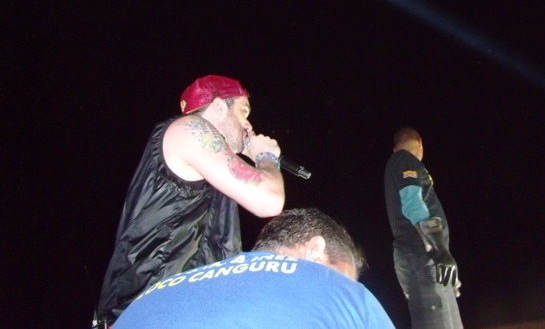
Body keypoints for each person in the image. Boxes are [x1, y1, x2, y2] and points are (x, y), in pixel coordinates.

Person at [97, 75, 285, 325]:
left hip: (179, 312)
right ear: (219, 106)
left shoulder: (210, 166)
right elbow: (269, 200)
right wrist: (266, 157)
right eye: (243, 112)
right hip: (148, 313)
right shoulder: (188, 129)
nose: (248, 125)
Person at [112, 208, 396, 328]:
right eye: (342, 278)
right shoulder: (348, 296)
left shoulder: (154, 293)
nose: (344, 287)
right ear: (315, 252)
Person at [384, 127, 463, 328]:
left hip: (426, 261)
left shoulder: (401, 161)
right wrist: (439, 250)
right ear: (420, 141)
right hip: (423, 259)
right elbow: (413, 205)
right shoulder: (404, 158)